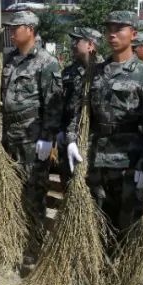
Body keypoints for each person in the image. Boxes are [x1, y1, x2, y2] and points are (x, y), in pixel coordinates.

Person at [65, 11, 143, 237]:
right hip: (97, 159)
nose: (112, 35)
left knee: (129, 226)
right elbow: (80, 111)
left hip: (128, 162)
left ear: (133, 34)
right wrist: (72, 139)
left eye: (119, 29)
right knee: (98, 224)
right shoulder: (96, 71)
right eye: (109, 29)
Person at [0, 10, 62, 260]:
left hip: (32, 139)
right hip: (8, 137)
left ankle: (32, 248)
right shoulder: (10, 60)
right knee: (10, 192)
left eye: (16, 27)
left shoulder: (46, 62)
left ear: (30, 29)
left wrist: (48, 137)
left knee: (32, 194)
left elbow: (53, 105)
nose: (12, 31)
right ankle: (12, 242)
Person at [58, 27, 103, 185]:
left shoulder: (104, 71)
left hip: (94, 142)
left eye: (77, 41)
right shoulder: (69, 71)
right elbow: (61, 103)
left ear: (90, 45)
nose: (73, 44)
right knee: (68, 182)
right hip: (69, 137)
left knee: (94, 188)